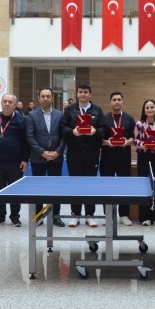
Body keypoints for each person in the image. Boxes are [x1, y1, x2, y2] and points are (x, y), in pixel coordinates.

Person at [60, 82, 105, 227]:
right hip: (74, 152)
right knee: (75, 184)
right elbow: (62, 128)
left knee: (90, 184)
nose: (83, 94)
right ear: (77, 94)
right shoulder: (70, 110)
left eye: (86, 92)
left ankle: (90, 215)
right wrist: (72, 131)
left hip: (92, 152)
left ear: (90, 94)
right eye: (80, 92)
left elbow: (103, 130)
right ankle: (76, 214)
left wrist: (95, 132)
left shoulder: (97, 110)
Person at [26, 87, 66, 227]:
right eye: (43, 96)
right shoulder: (32, 115)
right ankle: (38, 217)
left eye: (48, 96)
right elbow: (30, 137)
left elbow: (63, 137)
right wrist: (42, 152)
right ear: (39, 98)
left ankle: (56, 217)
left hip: (56, 158)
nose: (45, 99)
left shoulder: (60, 115)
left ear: (52, 98)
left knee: (56, 188)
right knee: (38, 189)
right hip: (38, 158)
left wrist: (57, 152)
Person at [0, 93, 29, 226]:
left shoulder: (21, 120)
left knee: (15, 190)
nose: (7, 104)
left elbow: (25, 142)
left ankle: (15, 217)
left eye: (10, 102)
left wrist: (25, 159)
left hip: (15, 162)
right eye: (5, 101)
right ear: (1, 103)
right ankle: (0, 217)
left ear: (15, 105)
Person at [100, 91, 136, 225]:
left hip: (123, 156)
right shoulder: (104, 118)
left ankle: (124, 215)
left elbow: (133, 137)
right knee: (106, 186)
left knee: (124, 186)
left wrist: (127, 142)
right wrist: (106, 142)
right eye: (114, 99)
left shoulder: (129, 118)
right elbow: (99, 138)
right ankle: (108, 215)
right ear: (110, 102)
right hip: (107, 157)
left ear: (123, 102)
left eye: (119, 99)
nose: (116, 102)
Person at [134, 99, 155, 226]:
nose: (150, 109)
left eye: (152, 107)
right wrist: (142, 144)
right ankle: (144, 217)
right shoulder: (139, 124)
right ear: (144, 110)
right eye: (147, 107)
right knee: (144, 186)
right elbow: (135, 140)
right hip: (143, 157)